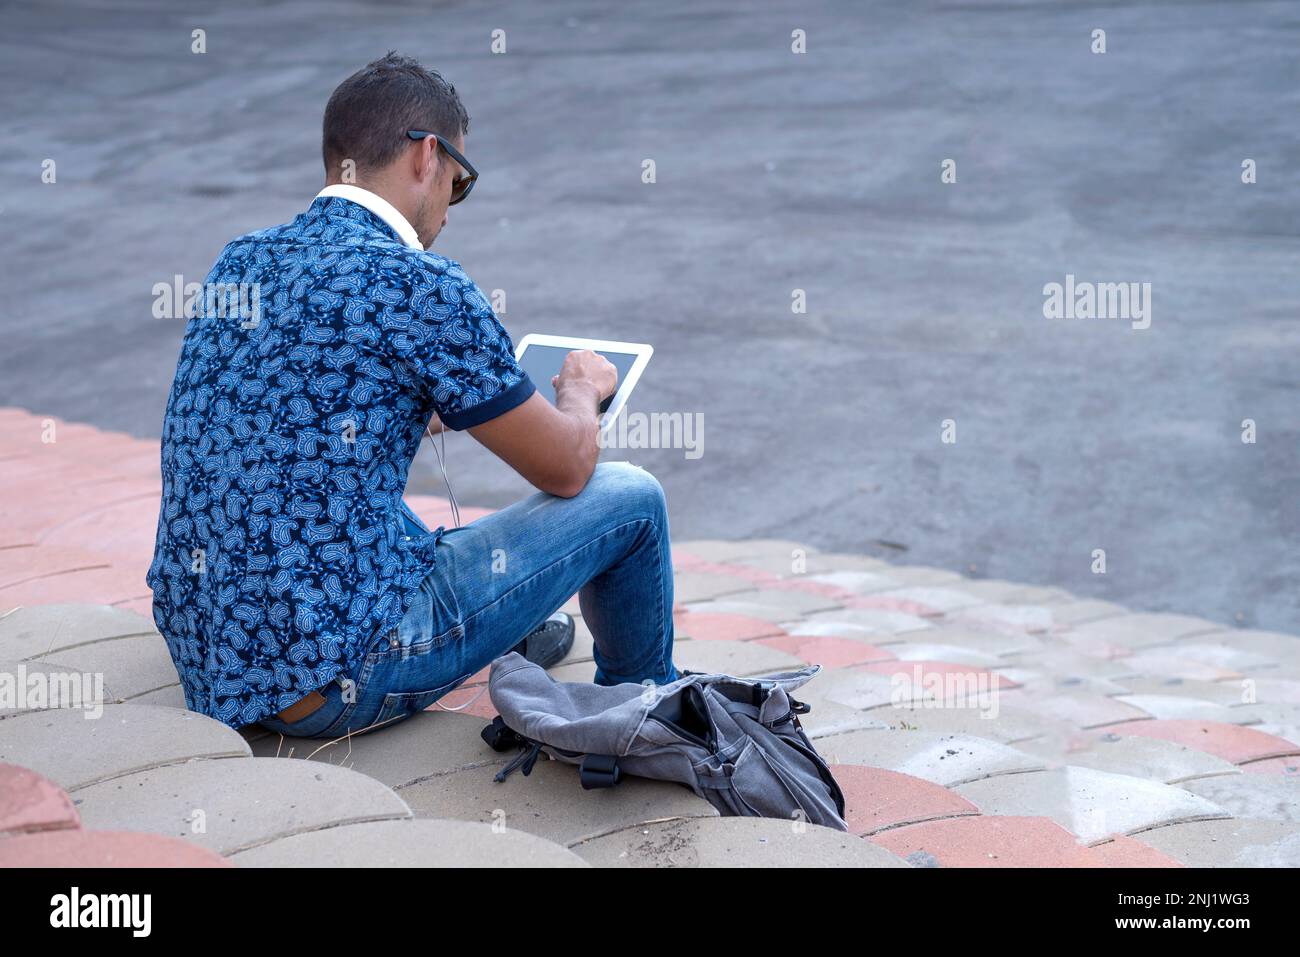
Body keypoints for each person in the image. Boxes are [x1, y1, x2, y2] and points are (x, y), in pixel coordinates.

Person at [146, 52, 678, 738]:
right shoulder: (421, 284)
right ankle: (644, 712)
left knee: (320, 483)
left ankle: (510, 623)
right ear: (429, 155)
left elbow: (310, 400)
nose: (450, 214)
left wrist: (431, 405)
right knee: (631, 497)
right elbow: (568, 466)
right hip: (336, 677)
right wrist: (581, 390)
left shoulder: (241, 257)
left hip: (210, 654)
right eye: (460, 185)